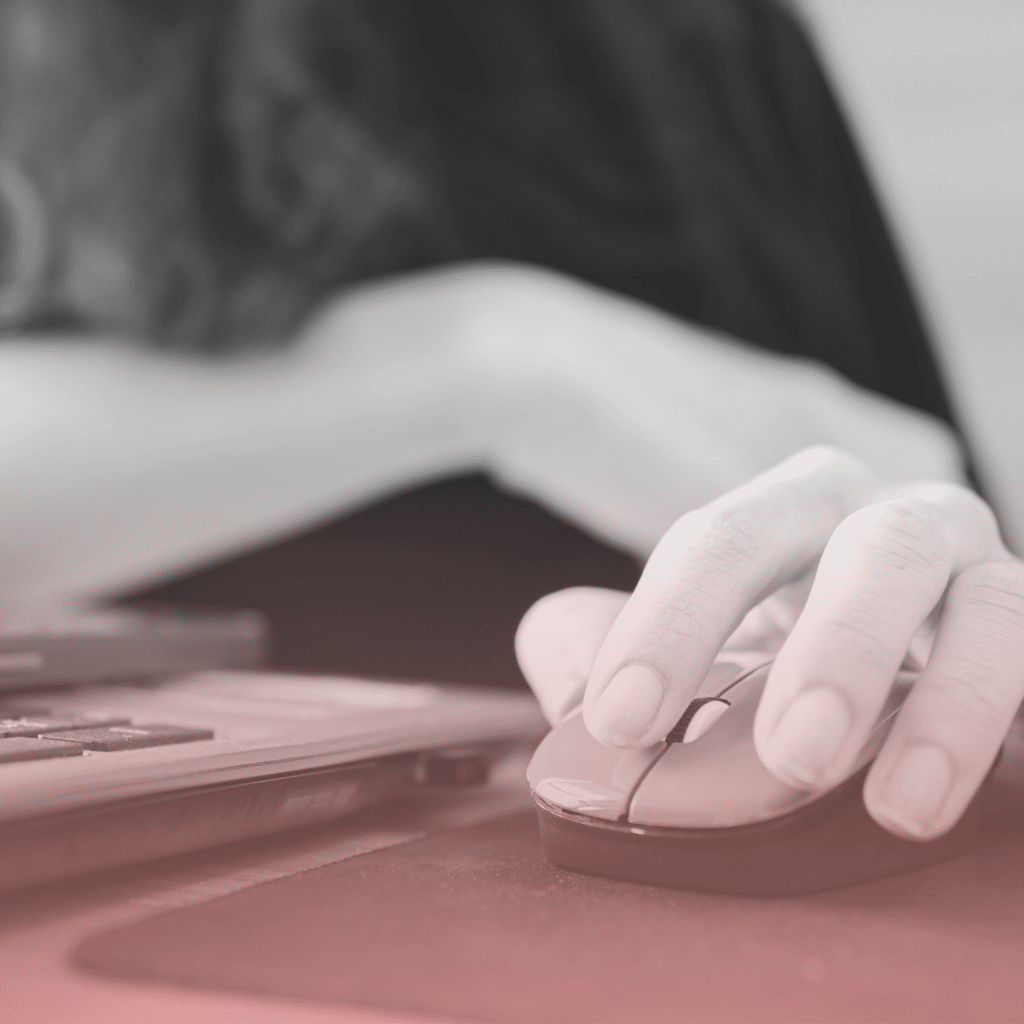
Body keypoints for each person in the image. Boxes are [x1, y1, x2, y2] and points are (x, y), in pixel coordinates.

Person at [0, 0, 1020, 846]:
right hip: (137, 864)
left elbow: (910, 492)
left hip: (624, 909)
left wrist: (937, 577)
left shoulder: (700, 36)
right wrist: (495, 357)